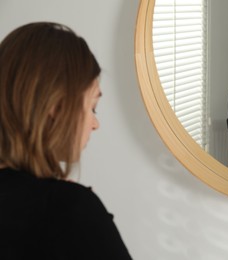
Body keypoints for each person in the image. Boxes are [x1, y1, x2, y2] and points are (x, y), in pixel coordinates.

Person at [0, 23, 132, 259]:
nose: (95, 124)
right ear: (56, 106)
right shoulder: (67, 211)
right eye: (93, 107)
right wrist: (73, 208)